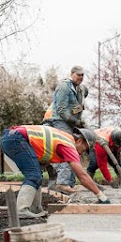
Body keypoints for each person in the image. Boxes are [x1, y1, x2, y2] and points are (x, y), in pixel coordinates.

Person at [0, 125, 111, 219]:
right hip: (17, 139)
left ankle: (34, 209)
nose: (83, 153)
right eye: (85, 149)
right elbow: (82, 176)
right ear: (80, 141)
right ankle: (21, 210)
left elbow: (42, 151)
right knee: (34, 175)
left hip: (10, 137)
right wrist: (101, 196)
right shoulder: (69, 146)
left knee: (36, 175)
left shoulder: (65, 139)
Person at [43, 65, 88, 194]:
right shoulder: (64, 87)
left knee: (72, 151)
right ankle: (63, 183)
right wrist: (76, 121)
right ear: (72, 74)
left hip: (69, 123)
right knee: (66, 149)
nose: (80, 77)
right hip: (59, 121)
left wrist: (79, 121)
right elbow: (62, 110)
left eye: (82, 75)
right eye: (78, 75)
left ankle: (65, 184)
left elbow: (74, 110)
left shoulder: (78, 90)